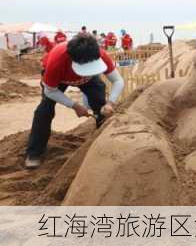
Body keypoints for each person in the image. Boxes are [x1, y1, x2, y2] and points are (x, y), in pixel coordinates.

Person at [24, 34, 125, 169]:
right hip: (59, 79)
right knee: (44, 110)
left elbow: (118, 80)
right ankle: (34, 153)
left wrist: (110, 103)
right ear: (72, 59)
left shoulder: (98, 53)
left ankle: (103, 141)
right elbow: (50, 91)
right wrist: (74, 106)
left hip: (88, 81)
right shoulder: (56, 62)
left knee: (100, 104)